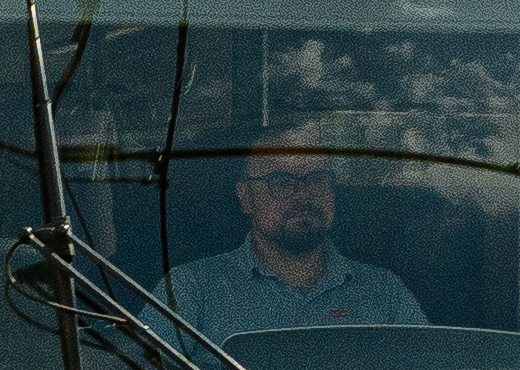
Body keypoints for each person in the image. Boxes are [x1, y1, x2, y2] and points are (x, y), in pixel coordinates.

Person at [164, 142, 419, 342]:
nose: (304, 194)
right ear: (246, 196)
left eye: (318, 179)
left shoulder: (384, 292)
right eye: (282, 182)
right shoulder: (191, 289)